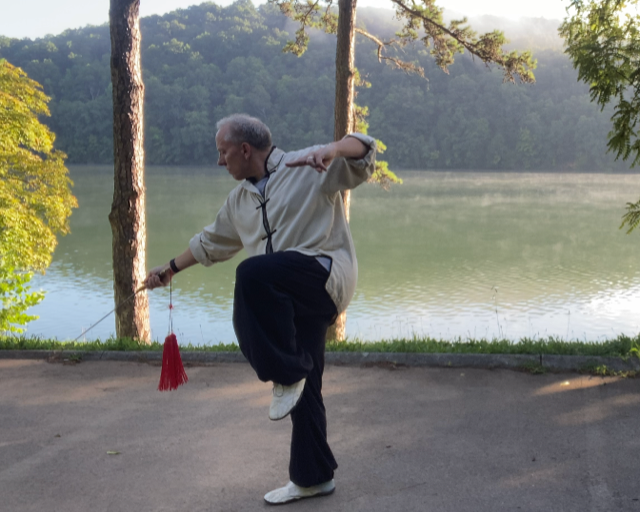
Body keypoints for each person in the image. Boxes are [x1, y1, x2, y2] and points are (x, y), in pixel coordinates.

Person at [145, 113, 376, 505]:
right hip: (286, 300)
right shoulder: (240, 201)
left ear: (244, 149)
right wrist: (168, 270)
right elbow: (210, 242)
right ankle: (313, 477)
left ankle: (284, 373)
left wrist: (333, 149)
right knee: (306, 384)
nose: (219, 161)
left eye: (223, 152)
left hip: (324, 278)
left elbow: (365, 150)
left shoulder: (306, 165)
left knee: (252, 274)